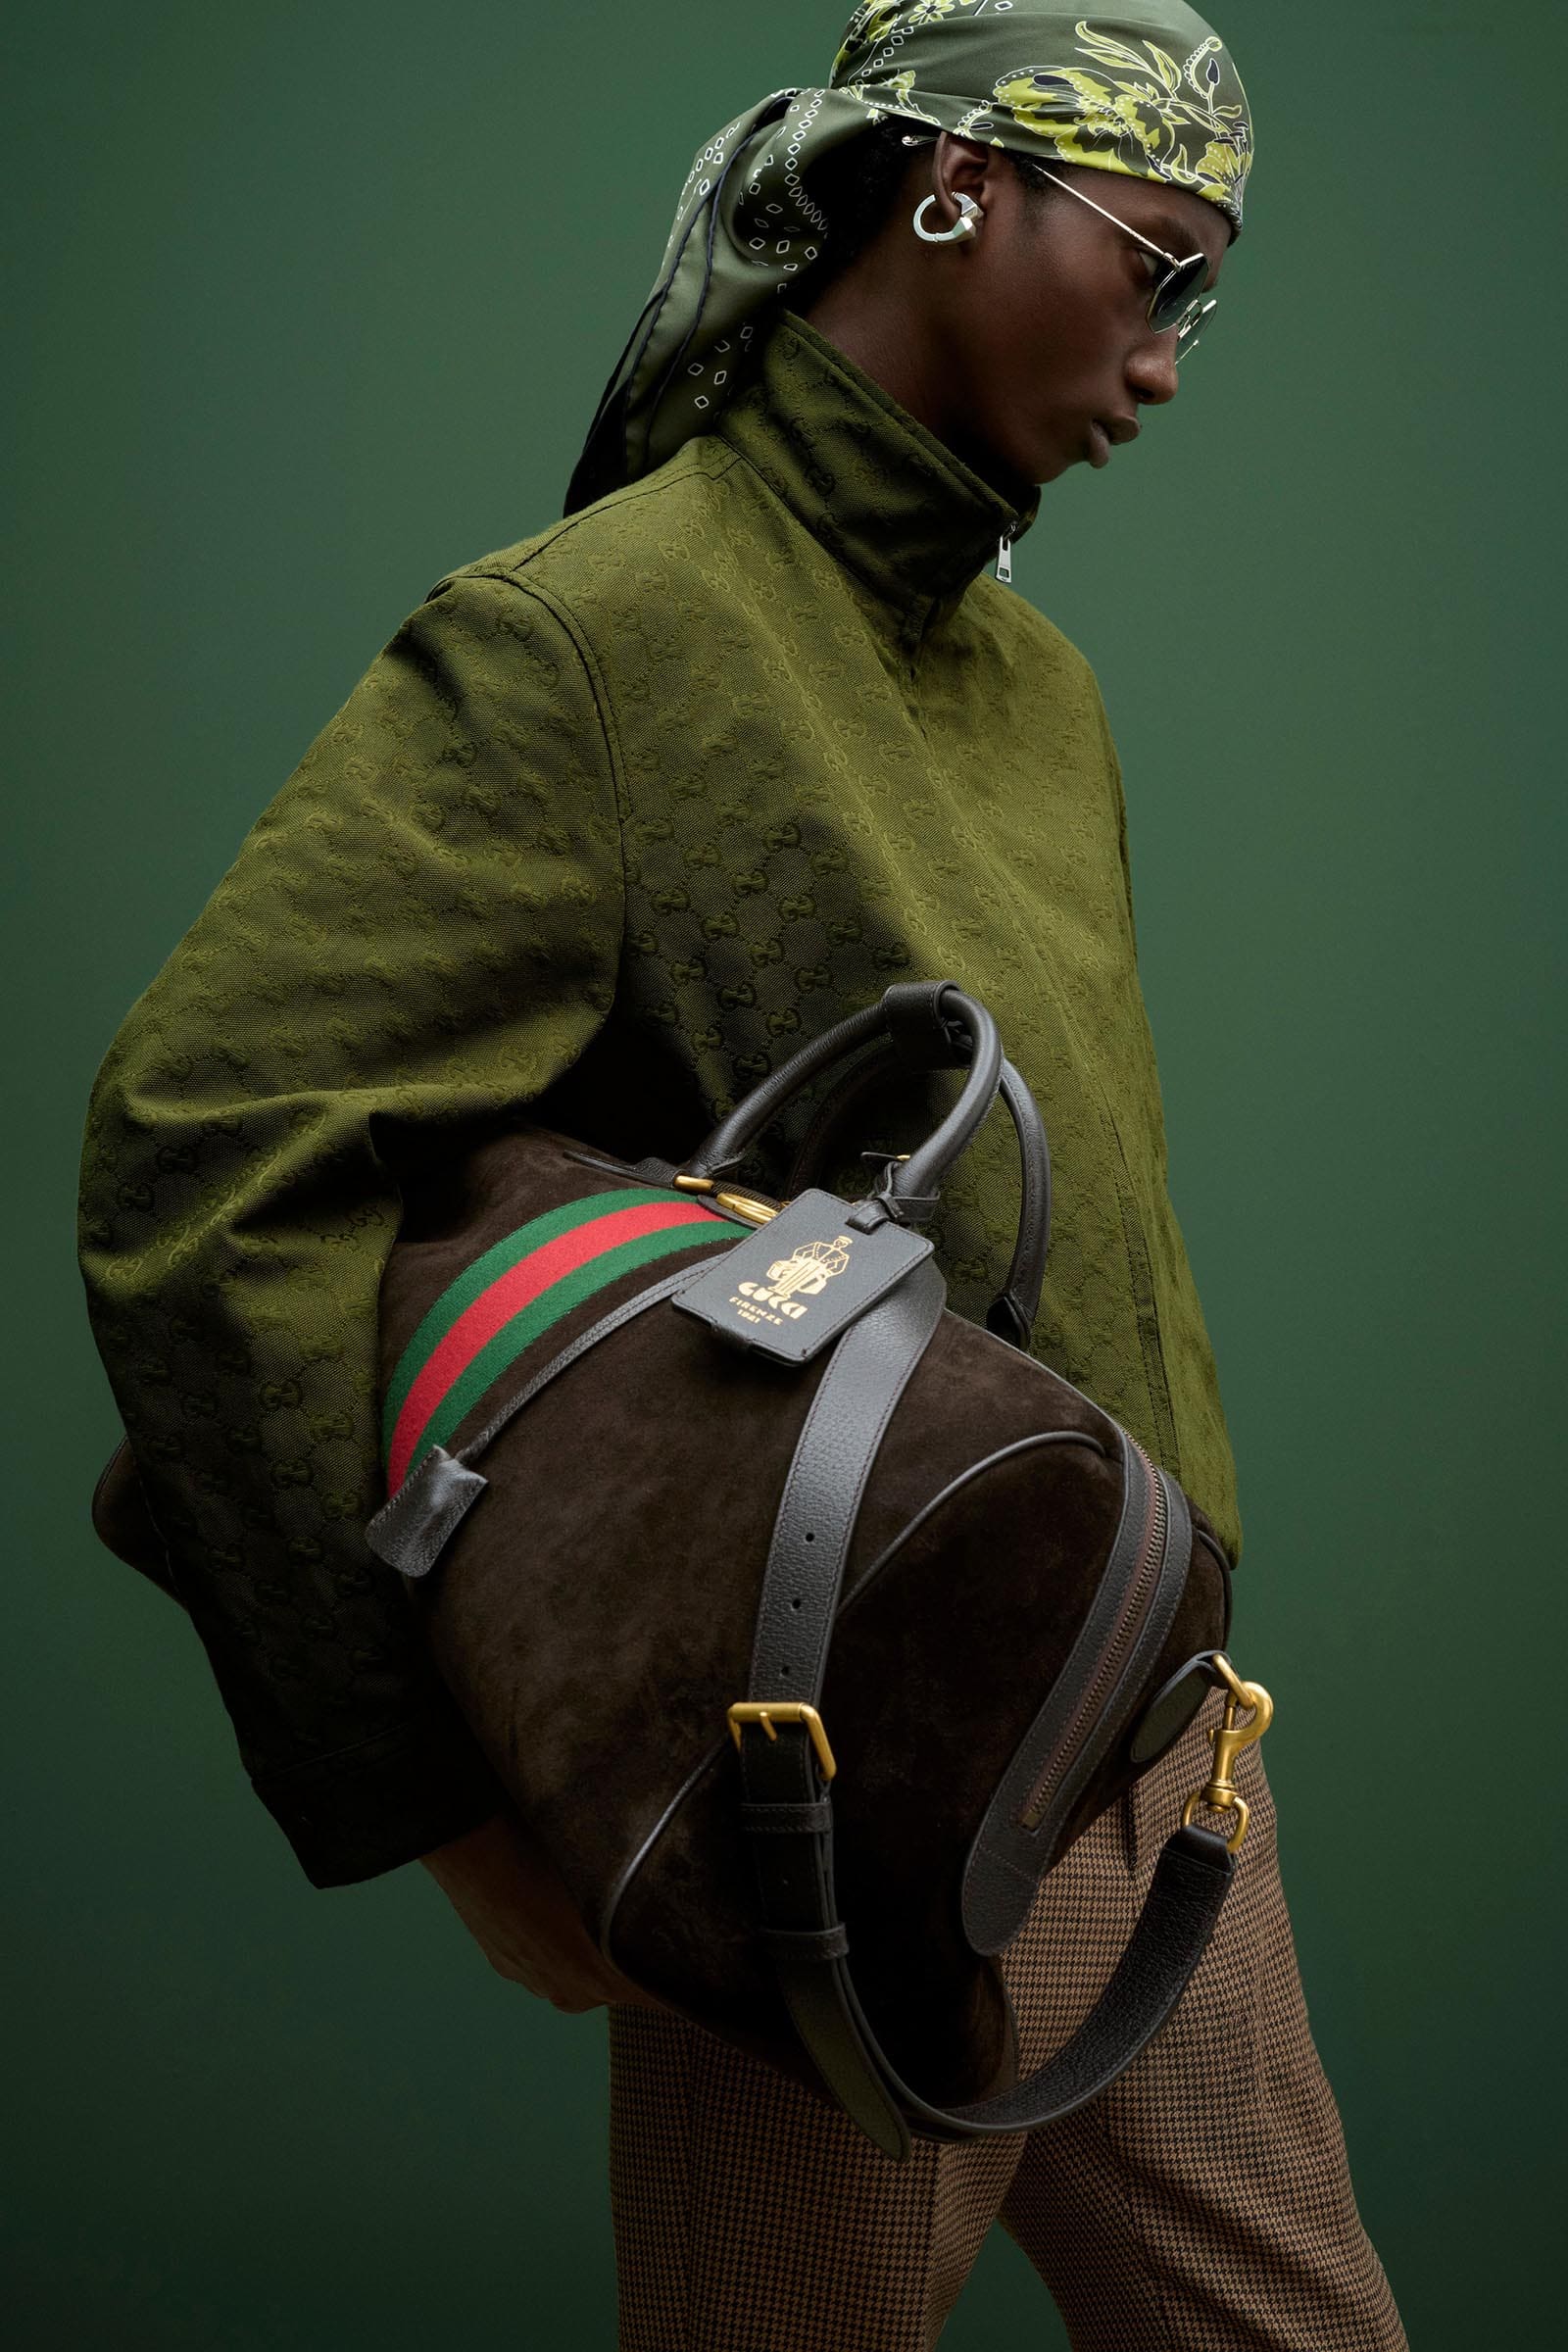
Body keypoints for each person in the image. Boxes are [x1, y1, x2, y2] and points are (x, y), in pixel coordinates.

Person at [77, 3, 1409, 2345]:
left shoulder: (1041, 694)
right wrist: (434, 1803)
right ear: (951, 190)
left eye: (1202, 299)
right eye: (1154, 270)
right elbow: (205, 1161)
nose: (1164, 365)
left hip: (1158, 1756)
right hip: (827, 1823)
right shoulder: (595, 637)